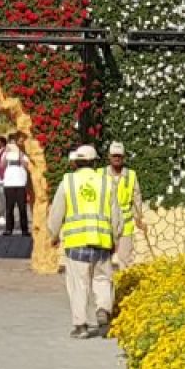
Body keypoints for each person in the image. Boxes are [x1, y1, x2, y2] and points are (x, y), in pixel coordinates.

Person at [47, 144, 119, 338]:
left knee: (78, 285)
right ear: (94, 162)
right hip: (102, 242)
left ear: (76, 163)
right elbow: (116, 214)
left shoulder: (68, 182)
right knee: (102, 280)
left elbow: (57, 211)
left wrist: (53, 234)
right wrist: (115, 238)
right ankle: (103, 309)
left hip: (76, 243)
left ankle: (81, 326)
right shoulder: (106, 182)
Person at [107, 142, 149, 270]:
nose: (117, 158)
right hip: (106, 223)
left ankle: (124, 281)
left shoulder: (131, 175)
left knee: (125, 259)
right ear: (109, 156)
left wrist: (138, 219)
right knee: (103, 260)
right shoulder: (100, 174)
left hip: (125, 224)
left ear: (123, 157)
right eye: (114, 155)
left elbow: (137, 198)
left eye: (119, 156)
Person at [0, 132, 31, 237]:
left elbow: (27, 166)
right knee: (9, 208)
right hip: (9, 184)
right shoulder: (6, 153)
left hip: (20, 183)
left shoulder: (23, 153)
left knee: (22, 208)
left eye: (14, 143)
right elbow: (2, 166)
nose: (13, 145)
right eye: (11, 143)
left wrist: (20, 155)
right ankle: (9, 229)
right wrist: (6, 152)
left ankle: (24, 229)